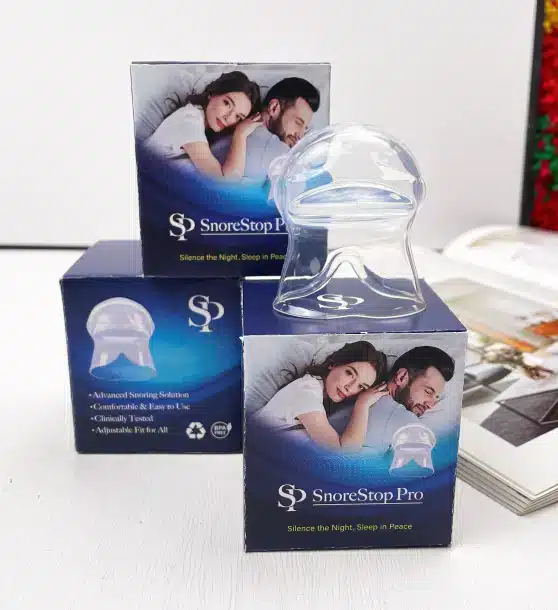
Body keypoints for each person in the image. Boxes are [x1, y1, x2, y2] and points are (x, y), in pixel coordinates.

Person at [253, 341, 389, 450]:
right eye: (349, 373)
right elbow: (344, 455)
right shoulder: (307, 393)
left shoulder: (319, 391)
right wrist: (362, 405)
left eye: (361, 387)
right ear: (333, 364)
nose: (351, 388)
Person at [328, 346, 456, 454]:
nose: (431, 405)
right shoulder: (406, 421)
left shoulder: (355, 394)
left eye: (437, 397)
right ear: (401, 377)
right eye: (428, 392)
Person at [143, 71, 262, 178]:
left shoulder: (200, 123)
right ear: (212, 94)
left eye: (238, 117)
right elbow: (225, 184)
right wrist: (240, 135)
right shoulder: (189, 120)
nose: (229, 118)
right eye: (227, 103)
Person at [210, 76, 321, 183]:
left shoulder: (229, 130)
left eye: (305, 129)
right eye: (298, 123)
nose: (300, 135)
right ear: (274, 108)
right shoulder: (278, 152)